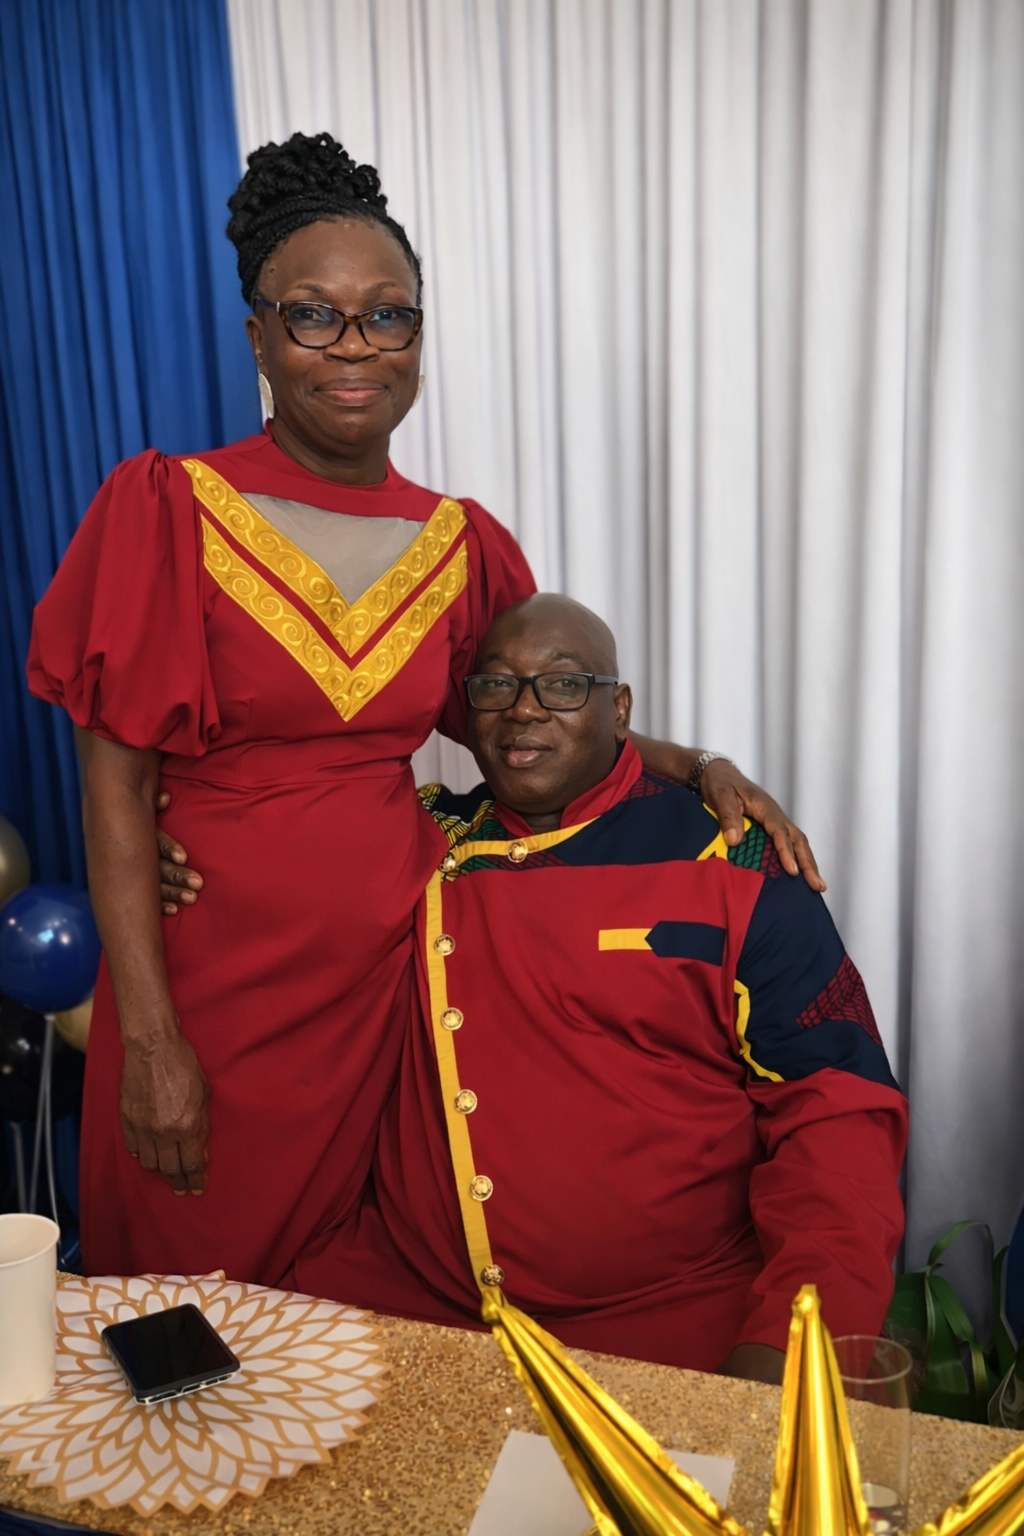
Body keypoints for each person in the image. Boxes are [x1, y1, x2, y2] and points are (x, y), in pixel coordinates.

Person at [27, 132, 816, 1288]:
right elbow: (114, 784)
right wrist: (148, 1038)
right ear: (259, 336)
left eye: (387, 316)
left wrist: (692, 760)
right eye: (315, 315)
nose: (355, 347)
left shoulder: (460, 540)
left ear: (418, 340)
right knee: (193, 1328)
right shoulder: (167, 508)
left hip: (398, 992)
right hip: (212, 997)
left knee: (367, 1322)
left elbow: (524, 722)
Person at [280, 595, 908, 1381]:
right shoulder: (420, 839)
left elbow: (838, 1111)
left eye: (563, 685)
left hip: (673, 1328)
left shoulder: (734, 859)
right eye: (496, 686)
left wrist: (793, 1339)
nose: (523, 711)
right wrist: (176, 853)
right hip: (418, 1309)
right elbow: (269, 861)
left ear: (620, 710)